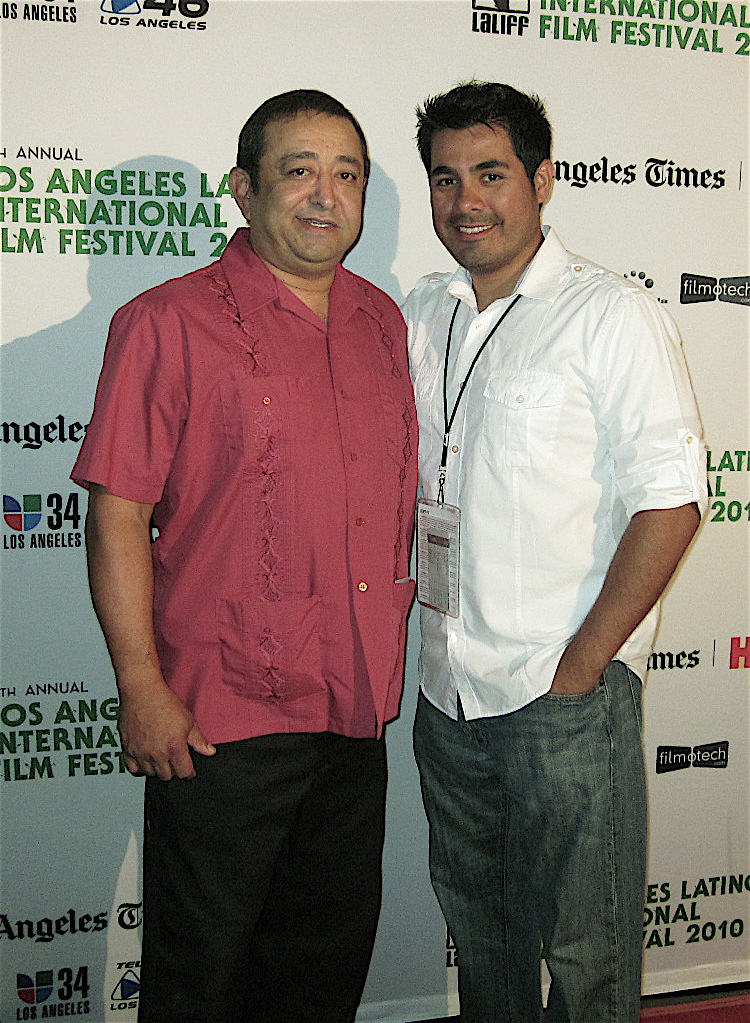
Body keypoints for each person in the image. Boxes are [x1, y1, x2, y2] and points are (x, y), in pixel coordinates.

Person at [72, 89, 417, 1023]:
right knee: (201, 976)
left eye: (346, 174)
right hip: (217, 717)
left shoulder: (385, 323)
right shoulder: (165, 322)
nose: (324, 194)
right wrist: (141, 686)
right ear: (243, 188)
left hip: (352, 710)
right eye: (298, 169)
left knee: (322, 965)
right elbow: (117, 515)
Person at [403, 81, 707, 1023]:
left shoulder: (609, 313)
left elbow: (672, 501)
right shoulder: (419, 313)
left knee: (588, 954)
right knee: (482, 937)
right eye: (445, 178)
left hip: (560, 694)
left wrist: (581, 667)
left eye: (490, 174)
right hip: (446, 690)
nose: (466, 202)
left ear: (541, 180)